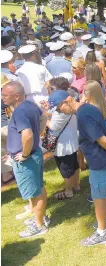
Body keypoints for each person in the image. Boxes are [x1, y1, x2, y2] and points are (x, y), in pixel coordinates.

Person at [53, 85, 106, 246]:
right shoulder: (88, 109)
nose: (61, 112)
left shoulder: (83, 115)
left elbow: (101, 139)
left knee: (99, 196)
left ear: (68, 100)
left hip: (99, 159)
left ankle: (101, 232)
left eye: (60, 108)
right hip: (102, 159)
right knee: (105, 192)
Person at [3, 82, 49, 238]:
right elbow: (43, 117)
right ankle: (41, 217)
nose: (2, 98)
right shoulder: (29, 104)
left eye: (5, 95)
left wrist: (23, 154)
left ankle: (39, 225)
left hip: (27, 159)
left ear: (16, 96)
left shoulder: (20, 112)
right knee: (39, 187)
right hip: (35, 154)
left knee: (34, 193)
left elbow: (27, 135)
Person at [42, 78, 80, 201]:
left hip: (62, 146)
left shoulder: (61, 113)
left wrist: (44, 119)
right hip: (72, 142)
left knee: (66, 170)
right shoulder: (70, 107)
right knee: (74, 165)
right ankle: (76, 186)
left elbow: (53, 126)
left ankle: (68, 192)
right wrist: (48, 111)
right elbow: (55, 114)